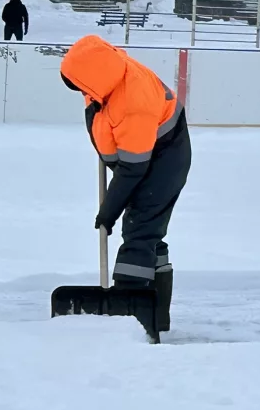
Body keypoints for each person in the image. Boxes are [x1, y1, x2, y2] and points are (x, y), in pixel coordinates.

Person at [59, 34, 191, 332]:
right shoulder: (104, 78)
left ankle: (129, 321)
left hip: (164, 157)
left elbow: (134, 167)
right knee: (147, 234)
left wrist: (109, 211)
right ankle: (156, 316)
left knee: (140, 232)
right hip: (142, 154)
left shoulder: (134, 100)